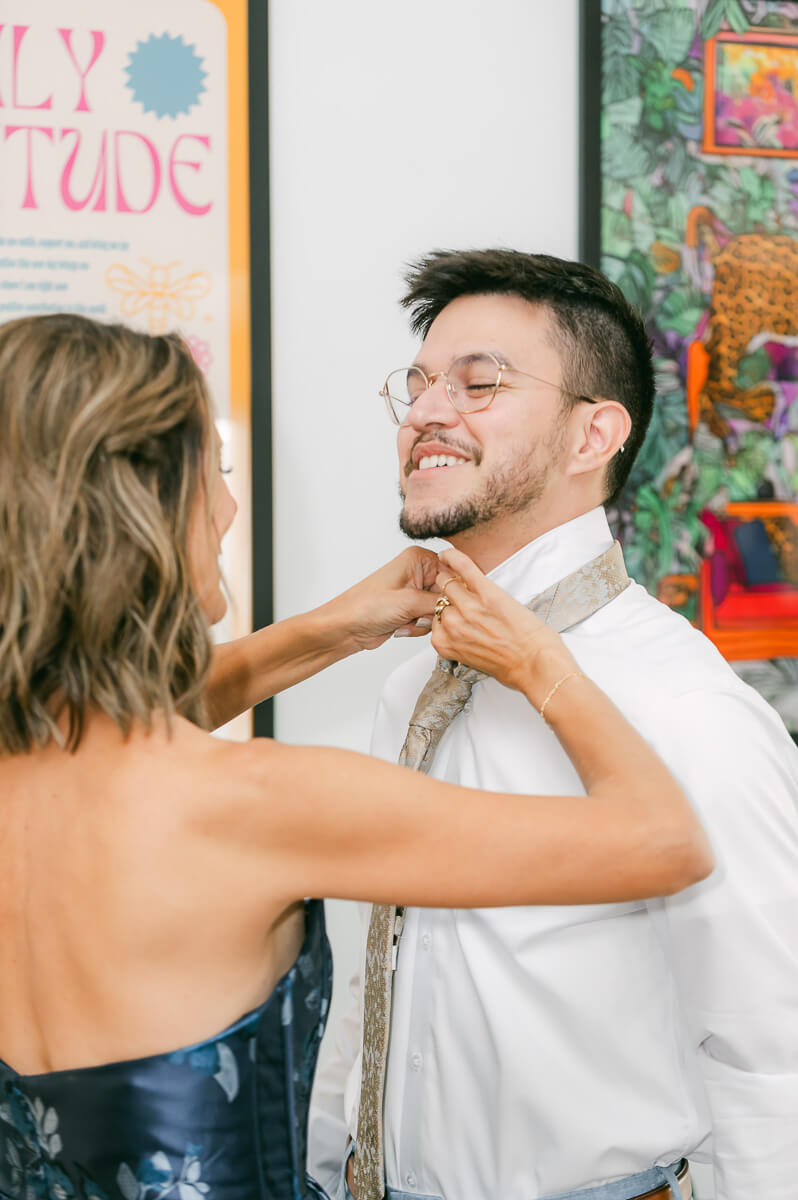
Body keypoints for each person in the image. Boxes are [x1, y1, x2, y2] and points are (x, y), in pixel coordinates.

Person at [0, 313, 712, 1200]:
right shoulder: (255, 804)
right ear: (139, 510)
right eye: (210, 473)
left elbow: (114, 728)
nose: (226, 506)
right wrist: (542, 666)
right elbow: (663, 838)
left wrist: (328, 630)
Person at [308, 250, 798, 1200]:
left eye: (479, 382)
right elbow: (378, 973)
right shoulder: (409, 684)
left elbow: (773, 1051)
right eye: (415, 384)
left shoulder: (684, 709)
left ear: (593, 436)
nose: (425, 412)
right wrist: (331, 1166)